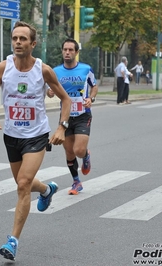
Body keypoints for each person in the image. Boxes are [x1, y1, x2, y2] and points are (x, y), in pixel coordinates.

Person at [0, 21, 71, 261]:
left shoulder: (43, 70)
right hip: (11, 136)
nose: (18, 43)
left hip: (36, 135)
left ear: (33, 44)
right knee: (25, 183)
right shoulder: (3, 67)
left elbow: (65, 100)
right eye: (15, 38)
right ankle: (46, 189)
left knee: (22, 184)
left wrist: (61, 128)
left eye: (23, 39)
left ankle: (12, 241)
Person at [47, 38, 98, 195]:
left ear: (76, 52)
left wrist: (91, 98)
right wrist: (50, 92)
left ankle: (85, 155)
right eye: (65, 50)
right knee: (69, 152)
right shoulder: (55, 71)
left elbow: (94, 86)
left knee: (78, 150)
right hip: (66, 117)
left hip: (83, 115)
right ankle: (76, 181)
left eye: (70, 50)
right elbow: (50, 91)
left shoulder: (85, 69)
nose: (67, 52)